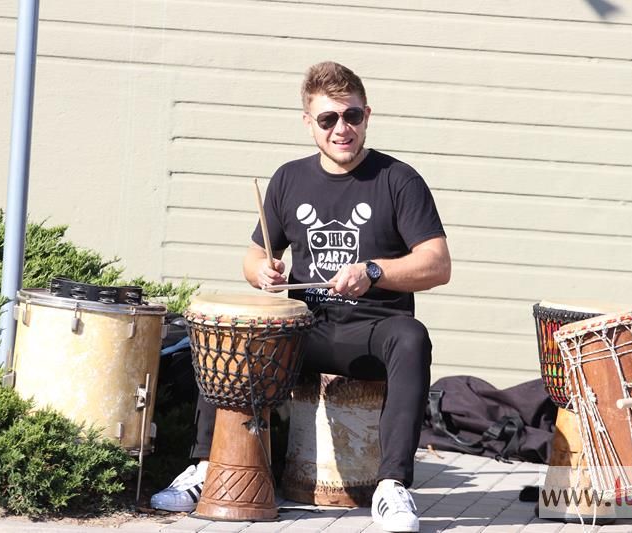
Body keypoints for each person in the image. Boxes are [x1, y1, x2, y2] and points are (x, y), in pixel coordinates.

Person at [153, 61, 451, 533]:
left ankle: (392, 486)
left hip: (372, 331)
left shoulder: (398, 179)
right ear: (309, 122)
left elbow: (437, 264)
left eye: (351, 116)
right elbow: (255, 256)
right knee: (236, 332)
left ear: (367, 115)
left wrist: (373, 271)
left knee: (411, 337)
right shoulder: (289, 179)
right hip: (305, 328)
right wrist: (263, 272)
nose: (341, 129)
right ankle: (208, 469)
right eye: (328, 119)